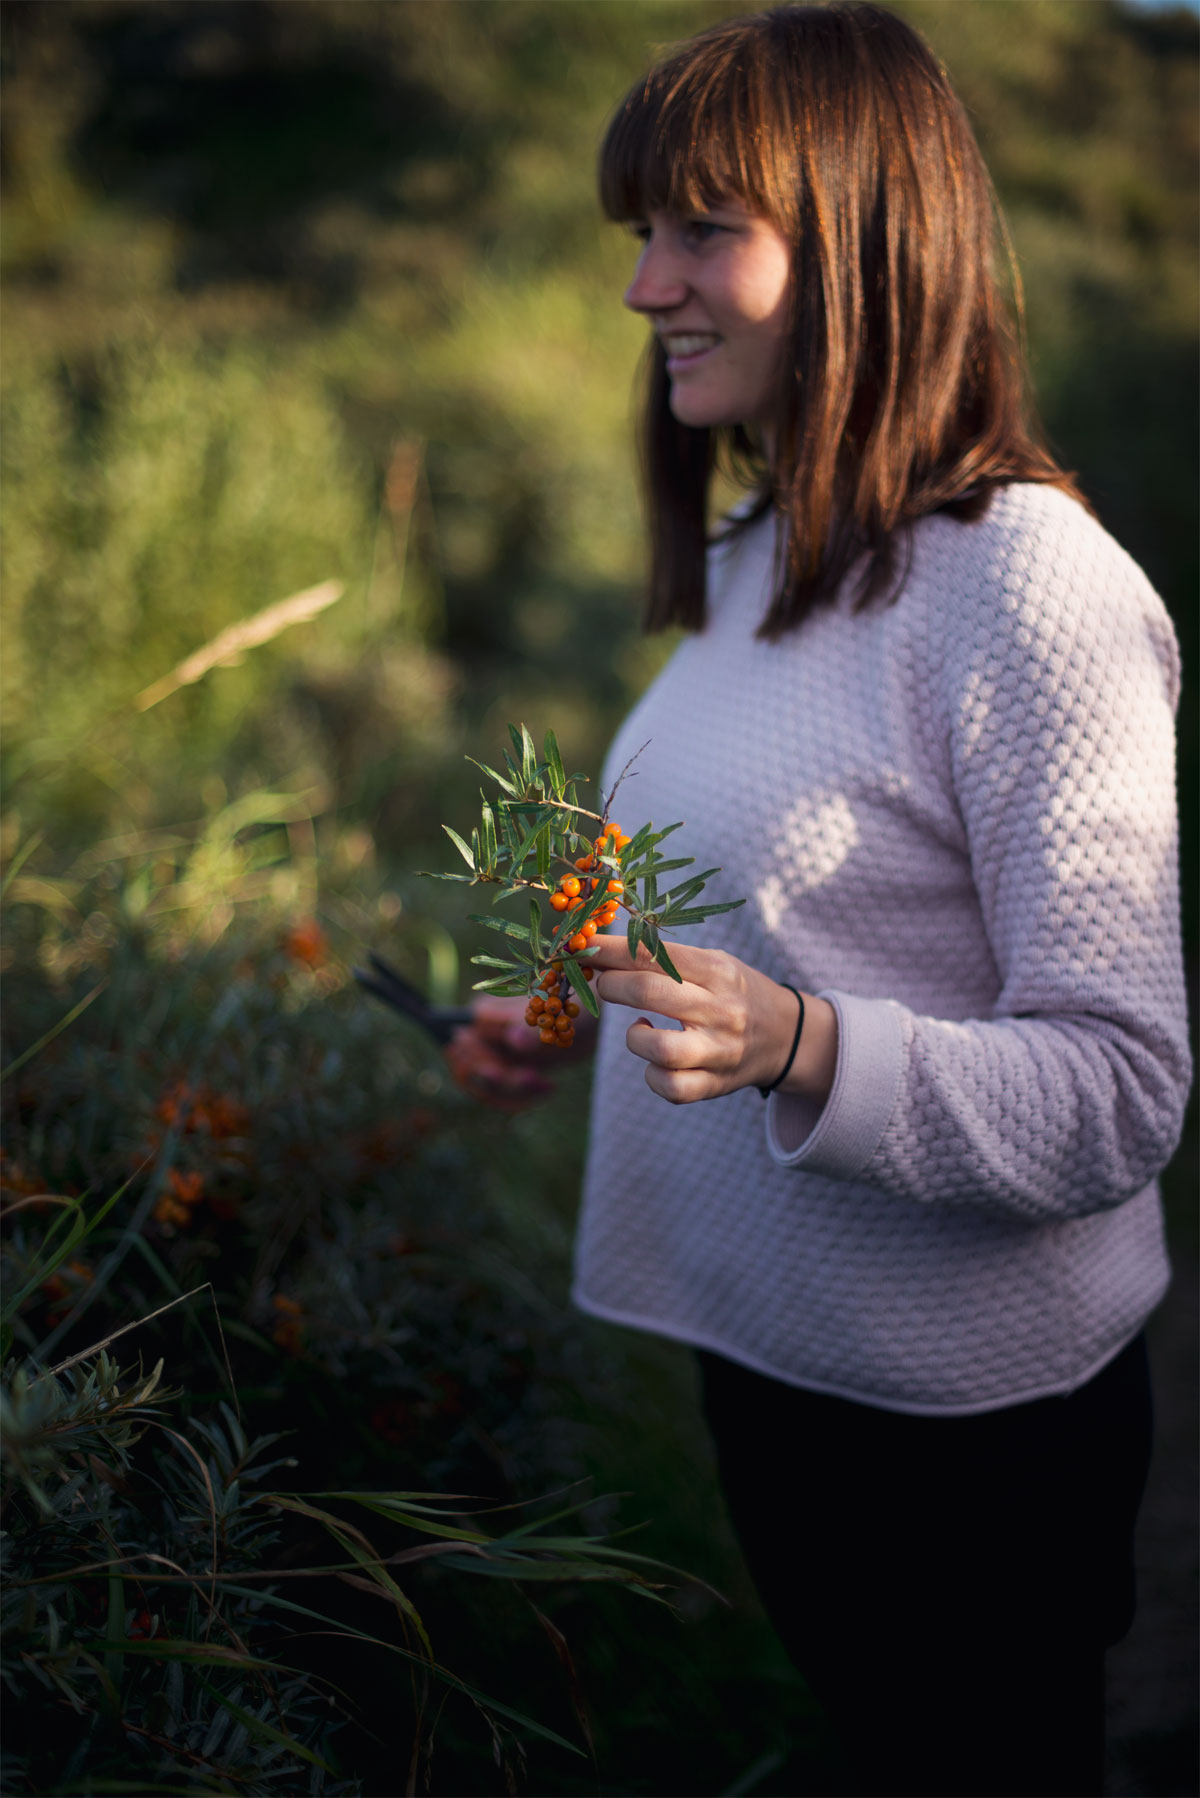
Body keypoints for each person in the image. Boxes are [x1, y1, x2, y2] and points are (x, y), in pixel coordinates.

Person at [542, 6, 1189, 1797]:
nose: (643, 285)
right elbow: (731, 894)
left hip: (966, 1418)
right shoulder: (762, 556)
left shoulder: (1030, 590)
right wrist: (541, 1024)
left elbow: (1122, 1089)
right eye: (641, 234)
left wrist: (800, 1042)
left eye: (698, 229)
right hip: (771, 1355)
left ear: (857, 237)